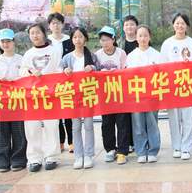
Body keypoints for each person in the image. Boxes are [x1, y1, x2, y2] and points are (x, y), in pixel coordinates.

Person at [20, 23, 61, 172]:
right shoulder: (28, 54)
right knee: (32, 127)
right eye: (32, 33)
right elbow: (22, 72)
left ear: (44, 33)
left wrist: (47, 78)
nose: (35, 36)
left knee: (51, 126)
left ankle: (51, 156)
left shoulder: (54, 51)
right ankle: (34, 158)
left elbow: (59, 70)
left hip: (49, 94)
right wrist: (31, 73)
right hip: (32, 96)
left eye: (37, 32)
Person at [160, 13, 192, 160]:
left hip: (188, 86)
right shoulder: (167, 43)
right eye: (177, 23)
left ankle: (186, 147)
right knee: (174, 118)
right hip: (173, 87)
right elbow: (162, 66)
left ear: (186, 26)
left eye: (182, 23)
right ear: (173, 25)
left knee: (189, 118)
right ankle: (177, 147)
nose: (180, 26)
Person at [0, 28, 27, 172]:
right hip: (0, 100)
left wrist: (15, 80)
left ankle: (18, 160)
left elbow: (26, 76)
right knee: (0, 130)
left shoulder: (22, 59)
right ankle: (2, 161)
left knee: (19, 130)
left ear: (14, 42)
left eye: (8, 41)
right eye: (2, 42)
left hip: (18, 99)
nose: (5, 44)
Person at [61, 27, 98, 169]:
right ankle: (78, 156)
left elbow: (100, 70)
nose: (78, 40)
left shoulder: (91, 56)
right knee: (75, 127)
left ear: (85, 39)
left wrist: (92, 68)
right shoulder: (67, 58)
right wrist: (65, 71)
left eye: (80, 37)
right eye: (75, 37)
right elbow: (59, 74)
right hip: (73, 96)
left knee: (88, 125)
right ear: (72, 40)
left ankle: (88, 155)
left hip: (88, 94)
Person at [126, 25, 162, 163]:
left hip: (152, 95)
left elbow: (162, 74)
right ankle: (141, 151)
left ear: (150, 37)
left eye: (145, 35)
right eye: (140, 35)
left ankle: (153, 150)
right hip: (136, 95)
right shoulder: (131, 56)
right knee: (138, 123)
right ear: (136, 38)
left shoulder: (157, 55)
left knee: (152, 122)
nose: (143, 38)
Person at [95, 26, 130, 165]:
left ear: (113, 39)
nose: (105, 43)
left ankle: (122, 151)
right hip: (105, 95)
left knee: (122, 123)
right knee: (107, 123)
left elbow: (126, 71)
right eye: (102, 40)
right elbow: (95, 74)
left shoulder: (121, 53)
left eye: (107, 39)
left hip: (120, 94)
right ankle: (110, 149)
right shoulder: (97, 55)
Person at [47, 12, 74, 154]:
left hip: (67, 79)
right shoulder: (47, 41)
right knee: (56, 112)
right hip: (51, 81)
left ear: (62, 24)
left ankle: (72, 141)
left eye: (58, 23)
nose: (56, 25)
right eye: (53, 23)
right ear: (49, 26)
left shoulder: (69, 40)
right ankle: (60, 141)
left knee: (68, 111)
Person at [122, 15, 139, 153]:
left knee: (138, 114)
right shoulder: (119, 44)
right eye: (127, 24)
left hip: (139, 84)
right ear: (123, 28)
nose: (129, 27)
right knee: (125, 115)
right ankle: (128, 142)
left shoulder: (142, 41)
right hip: (123, 85)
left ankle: (139, 141)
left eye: (132, 24)